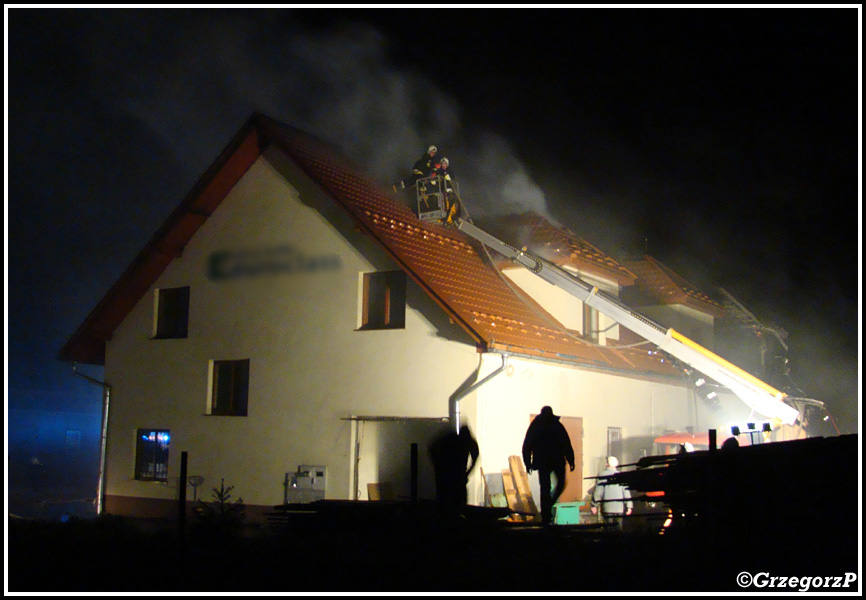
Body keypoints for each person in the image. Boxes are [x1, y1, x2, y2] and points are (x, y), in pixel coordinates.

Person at [522, 406, 575, 525]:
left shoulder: (536, 427)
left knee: (545, 488)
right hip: (556, 461)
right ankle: (547, 511)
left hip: (543, 462)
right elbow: (566, 443)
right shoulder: (556, 426)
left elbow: (527, 445)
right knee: (559, 484)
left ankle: (547, 510)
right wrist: (571, 460)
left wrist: (528, 463)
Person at [428, 424, 479, 517]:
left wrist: (467, 473)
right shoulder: (451, 439)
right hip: (449, 473)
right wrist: (439, 467)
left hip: (456, 474)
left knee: (456, 499)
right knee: (448, 499)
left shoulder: (466, 442)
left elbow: (475, 457)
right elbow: (432, 448)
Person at [591, 456, 633, 530]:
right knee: (618, 529)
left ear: (607, 464)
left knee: (608, 530)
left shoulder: (602, 475)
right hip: (619, 508)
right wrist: (629, 506)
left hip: (607, 508)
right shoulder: (621, 476)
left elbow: (598, 492)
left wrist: (594, 505)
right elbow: (626, 491)